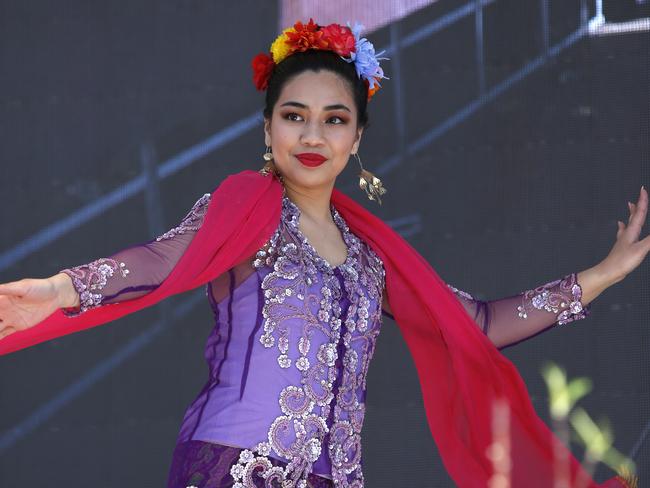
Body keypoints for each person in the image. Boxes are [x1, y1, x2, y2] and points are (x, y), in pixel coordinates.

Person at [0, 18, 645, 488]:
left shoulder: (372, 256)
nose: (313, 134)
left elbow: (476, 326)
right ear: (268, 127)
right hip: (235, 470)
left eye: (334, 118)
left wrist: (603, 273)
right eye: (294, 115)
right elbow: (160, 261)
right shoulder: (247, 207)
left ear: (357, 135)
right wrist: (61, 289)